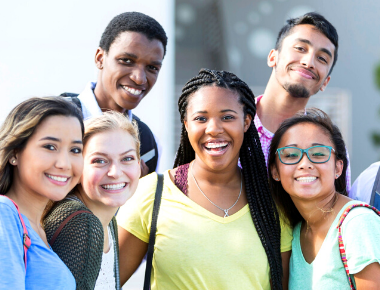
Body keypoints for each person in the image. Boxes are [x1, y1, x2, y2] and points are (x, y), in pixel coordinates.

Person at [117, 69, 292, 290]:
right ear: (186, 124)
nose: (214, 129)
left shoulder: (272, 203)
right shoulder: (152, 194)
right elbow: (105, 283)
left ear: (247, 122)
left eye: (227, 117)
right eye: (201, 118)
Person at [268, 108, 380, 289]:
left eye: (319, 154)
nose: (305, 164)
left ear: (338, 168)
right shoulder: (295, 232)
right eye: (291, 155)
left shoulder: (358, 224)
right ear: (275, 171)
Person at [44, 111, 141, 290]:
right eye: (100, 161)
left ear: (139, 165)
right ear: (77, 169)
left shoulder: (107, 220)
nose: (115, 172)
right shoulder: (81, 223)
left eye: (127, 158)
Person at [62, 11, 167, 176]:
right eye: (126, 61)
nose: (139, 78)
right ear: (100, 58)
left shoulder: (148, 145)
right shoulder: (55, 121)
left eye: (152, 68)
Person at [256, 12, 351, 191]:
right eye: (300, 48)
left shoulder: (330, 147)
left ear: (325, 82)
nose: (308, 62)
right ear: (272, 57)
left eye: (322, 58)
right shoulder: (232, 125)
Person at [0, 97, 84, 289]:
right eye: (50, 147)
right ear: (14, 153)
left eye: (75, 149)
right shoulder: (4, 213)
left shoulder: (39, 227)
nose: (64, 164)